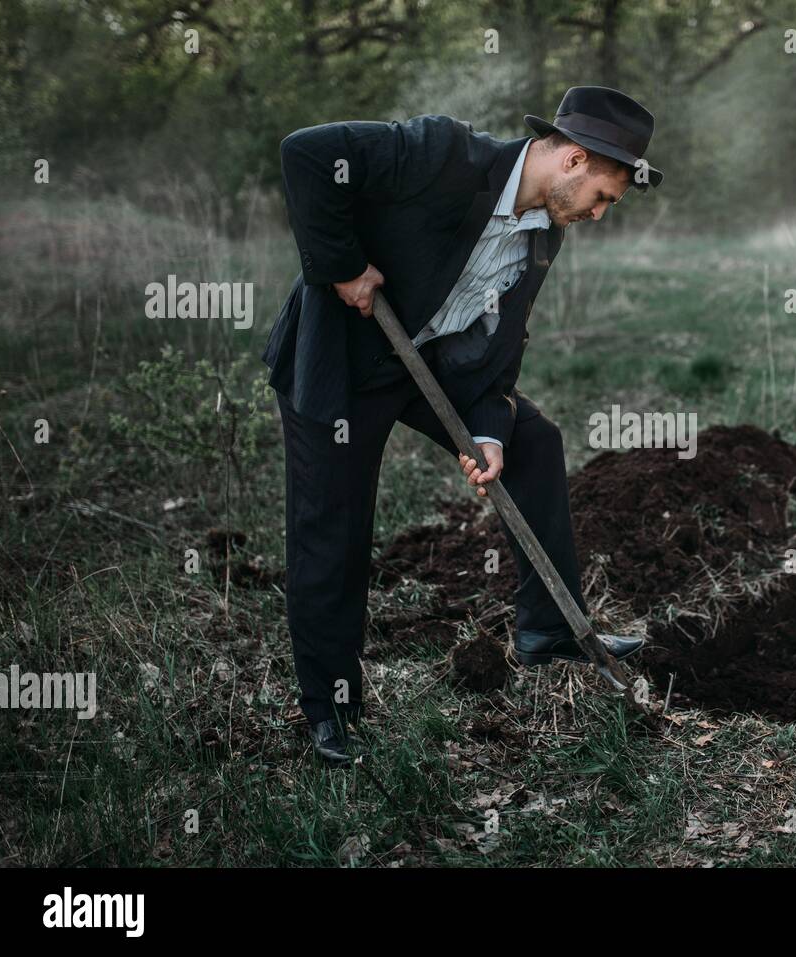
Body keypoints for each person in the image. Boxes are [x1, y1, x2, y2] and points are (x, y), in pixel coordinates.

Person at [260, 87, 664, 765]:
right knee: (334, 528)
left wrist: (489, 432)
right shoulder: (445, 155)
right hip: (343, 362)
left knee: (535, 441)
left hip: (422, 362)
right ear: (573, 159)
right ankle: (331, 712)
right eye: (602, 196)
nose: (597, 214)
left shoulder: (542, 239)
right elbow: (306, 153)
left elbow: (497, 351)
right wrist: (342, 266)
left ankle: (549, 628)